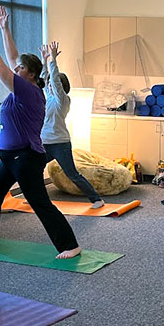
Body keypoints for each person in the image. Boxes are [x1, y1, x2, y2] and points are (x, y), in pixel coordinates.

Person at [0, 7, 81, 259]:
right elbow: (11, 59)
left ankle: (69, 245)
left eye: (20, 68)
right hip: (10, 158)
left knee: (39, 202)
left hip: (26, 157)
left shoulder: (29, 92)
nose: (16, 69)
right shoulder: (22, 87)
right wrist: (4, 29)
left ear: (30, 74)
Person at [38, 41, 105, 209]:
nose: (50, 87)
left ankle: (96, 199)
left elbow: (54, 80)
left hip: (60, 144)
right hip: (44, 143)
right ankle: (39, 200)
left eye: (53, 85)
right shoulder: (49, 98)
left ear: (60, 87)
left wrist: (53, 60)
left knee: (72, 174)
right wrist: (44, 60)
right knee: (34, 171)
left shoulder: (63, 101)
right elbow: (47, 79)